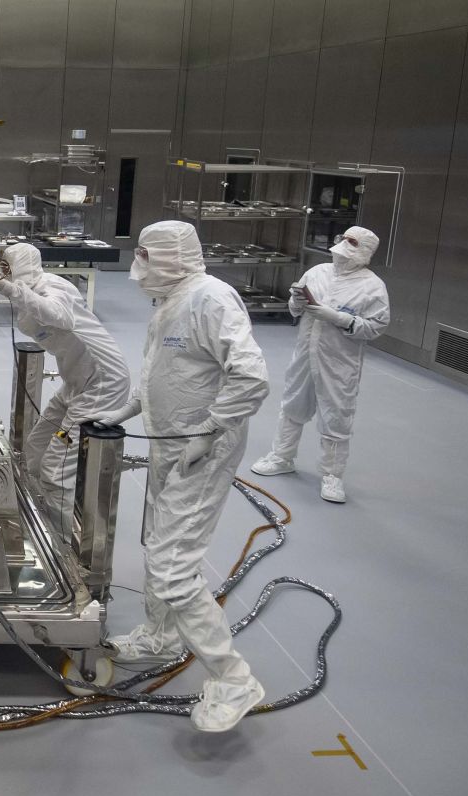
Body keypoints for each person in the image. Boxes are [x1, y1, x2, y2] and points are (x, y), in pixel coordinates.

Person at [90, 220, 269, 733]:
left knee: (172, 563)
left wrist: (211, 429)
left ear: (170, 255)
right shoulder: (171, 300)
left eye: (145, 255)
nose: (137, 266)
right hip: (171, 440)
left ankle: (234, 679)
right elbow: (166, 373)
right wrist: (126, 410)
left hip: (203, 449)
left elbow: (251, 375)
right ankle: (160, 636)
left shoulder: (211, 299)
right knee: (155, 539)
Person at [0, 242, 131, 536]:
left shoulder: (53, 286)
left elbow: (60, 316)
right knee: (36, 446)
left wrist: (7, 287)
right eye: (0, 266)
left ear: (22, 265)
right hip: (75, 382)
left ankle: (64, 542)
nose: (3, 271)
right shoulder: (27, 298)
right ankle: (43, 513)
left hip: (101, 383)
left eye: (7, 266)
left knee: (57, 469)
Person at [250, 226, 389, 503]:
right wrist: (297, 301)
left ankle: (332, 476)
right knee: (292, 405)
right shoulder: (317, 273)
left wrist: (339, 318)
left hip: (339, 362)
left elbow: (376, 326)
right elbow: (295, 308)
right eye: (340, 250)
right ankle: (282, 456)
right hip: (304, 354)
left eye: (349, 252)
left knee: (336, 414)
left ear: (363, 254)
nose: (341, 257)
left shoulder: (372, 286)